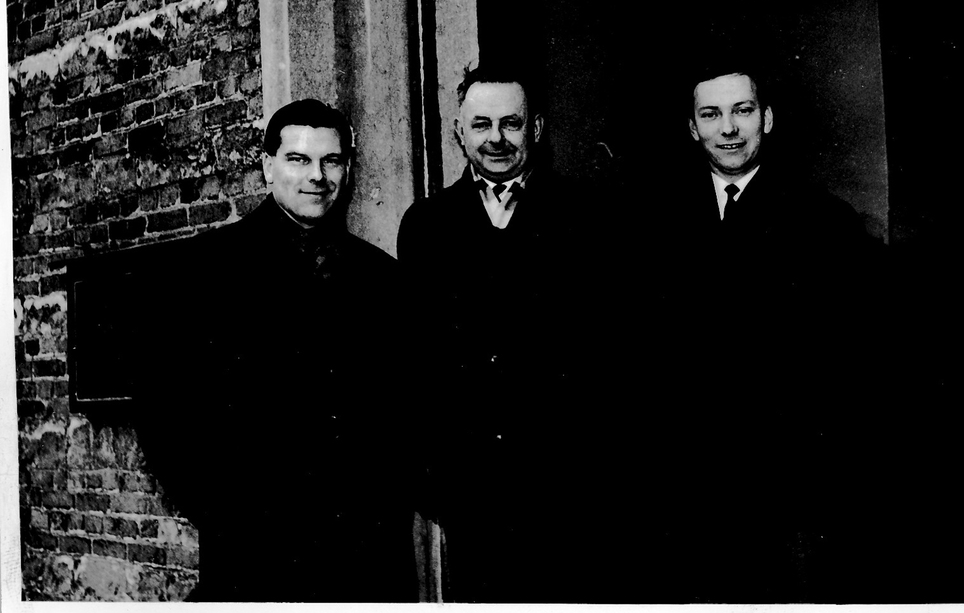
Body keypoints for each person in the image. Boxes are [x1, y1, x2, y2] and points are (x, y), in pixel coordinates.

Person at [619, 63, 884, 603]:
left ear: (767, 118)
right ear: (692, 127)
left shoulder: (824, 221)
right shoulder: (651, 224)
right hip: (688, 488)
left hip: (789, 489)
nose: (728, 128)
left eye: (742, 111)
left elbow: (851, 367)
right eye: (710, 114)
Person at [135, 99, 418, 603]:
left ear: (348, 170)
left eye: (331, 161)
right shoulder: (204, 271)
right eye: (298, 159)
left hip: (367, 562)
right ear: (268, 167)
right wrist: (231, 517)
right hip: (257, 561)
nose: (317, 176)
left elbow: (408, 411)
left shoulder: (383, 278)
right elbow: (163, 413)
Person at [396, 63, 606, 603]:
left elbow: (610, 351)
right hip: (473, 494)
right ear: (459, 131)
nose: (496, 138)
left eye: (511, 123)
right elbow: (416, 359)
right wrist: (436, 482)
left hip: (569, 487)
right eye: (481, 124)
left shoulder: (587, 215)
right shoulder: (426, 225)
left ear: (535, 128)